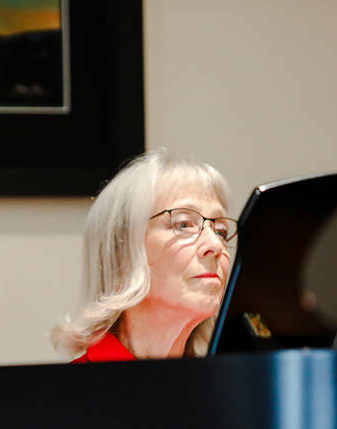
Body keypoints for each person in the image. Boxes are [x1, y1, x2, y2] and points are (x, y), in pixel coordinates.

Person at [52, 148, 234, 361]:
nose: (215, 245)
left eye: (221, 231)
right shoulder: (75, 389)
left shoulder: (229, 386)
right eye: (184, 224)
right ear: (122, 252)